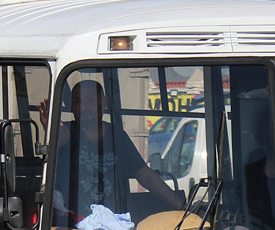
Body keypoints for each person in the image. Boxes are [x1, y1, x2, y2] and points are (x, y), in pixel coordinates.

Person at [45, 79, 179, 222]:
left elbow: (144, 175)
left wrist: (181, 205)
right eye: (78, 102)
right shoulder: (65, 132)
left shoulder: (117, 136)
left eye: (90, 100)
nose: (84, 107)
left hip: (116, 224)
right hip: (74, 224)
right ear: (72, 106)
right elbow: (58, 139)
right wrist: (50, 128)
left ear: (104, 102)